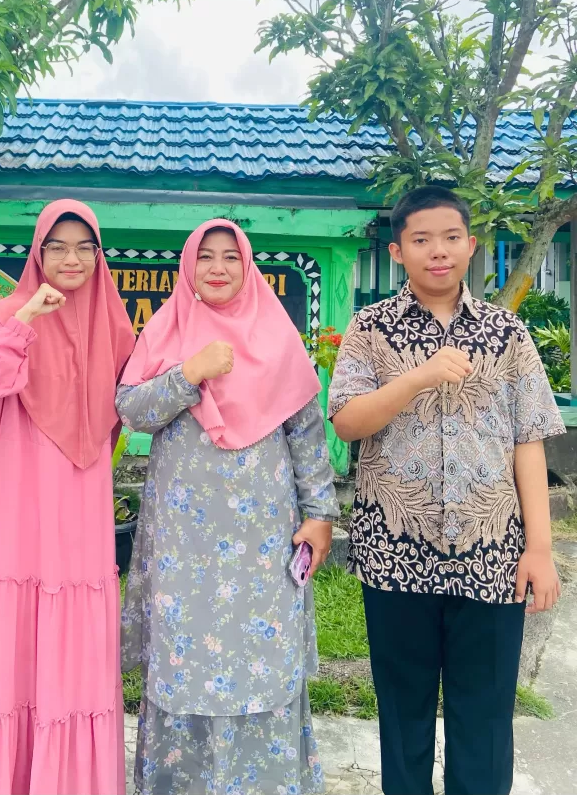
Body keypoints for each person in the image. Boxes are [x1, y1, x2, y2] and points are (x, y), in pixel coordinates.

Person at [328, 185, 564, 796]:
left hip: (492, 554)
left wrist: (539, 549)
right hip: (395, 554)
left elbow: (529, 442)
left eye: (451, 238)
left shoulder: (507, 334)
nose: (439, 251)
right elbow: (347, 420)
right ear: (398, 251)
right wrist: (419, 376)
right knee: (402, 711)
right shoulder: (370, 329)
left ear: (471, 245)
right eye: (422, 239)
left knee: (485, 716)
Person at [117, 218, 338, 796]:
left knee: (261, 654)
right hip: (183, 541)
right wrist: (188, 373)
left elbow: (306, 433)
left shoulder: (276, 335)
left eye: (231, 256)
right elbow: (132, 410)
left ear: (248, 266)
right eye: (206, 256)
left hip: (262, 537)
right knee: (183, 658)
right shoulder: (166, 329)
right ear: (188, 265)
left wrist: (319, 514)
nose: (218, 268)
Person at [0, 199, 136, 796]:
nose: (71, 258)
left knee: (74, 628)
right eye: (57, 247)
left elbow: (140, 400)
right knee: (19, 628)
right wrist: (26, 317)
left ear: (99, 255)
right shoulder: (9, 312)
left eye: (84, 247)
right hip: (20, 500)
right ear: (37, 253)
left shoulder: (115, 324)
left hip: (83, 500)